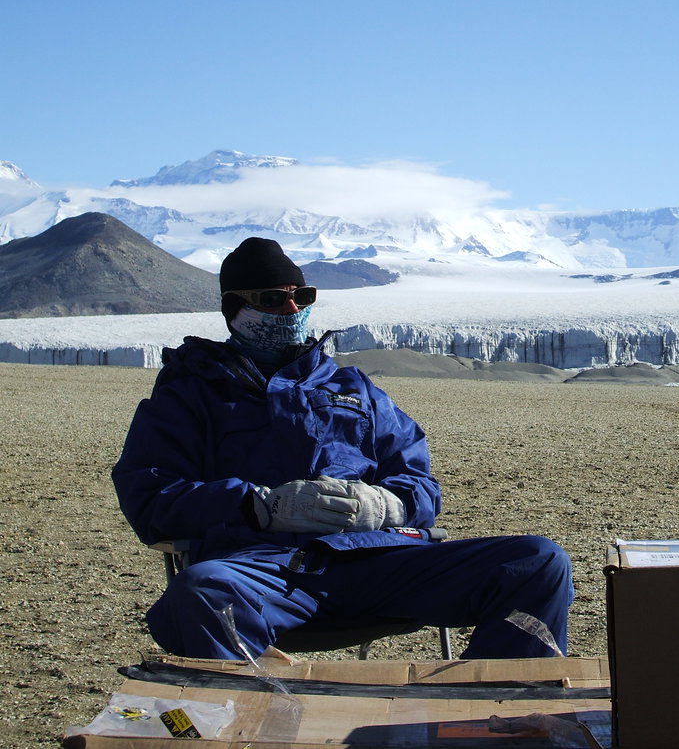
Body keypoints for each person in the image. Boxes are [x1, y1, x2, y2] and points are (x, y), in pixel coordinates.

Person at [112, 237, 574, 660]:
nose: (292, 308)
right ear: (235, 309)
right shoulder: (189, 393)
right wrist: (260, 506)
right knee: (201, 592)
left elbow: (420, 485)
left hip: (376, 558)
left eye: (302, 296)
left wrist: (384, 505)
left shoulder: (353, 388)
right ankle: (256, 712)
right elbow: (149, 497)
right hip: (264, 572)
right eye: (273, 299)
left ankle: (499, 704)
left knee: (537, 562)